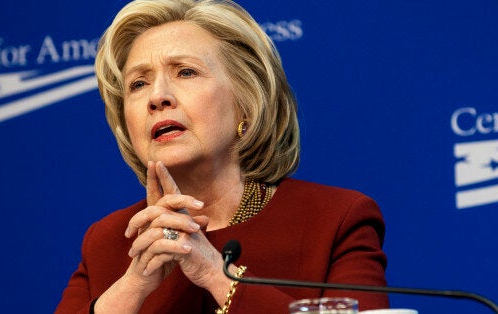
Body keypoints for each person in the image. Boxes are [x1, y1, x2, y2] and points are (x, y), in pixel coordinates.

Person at [56, 0, 389, 312]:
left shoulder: (334, 221)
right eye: (138, 84)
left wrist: (215, 273)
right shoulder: (109, 242)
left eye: (185, 72)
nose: (157, 97)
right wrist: (133, 285)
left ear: (245, 101)